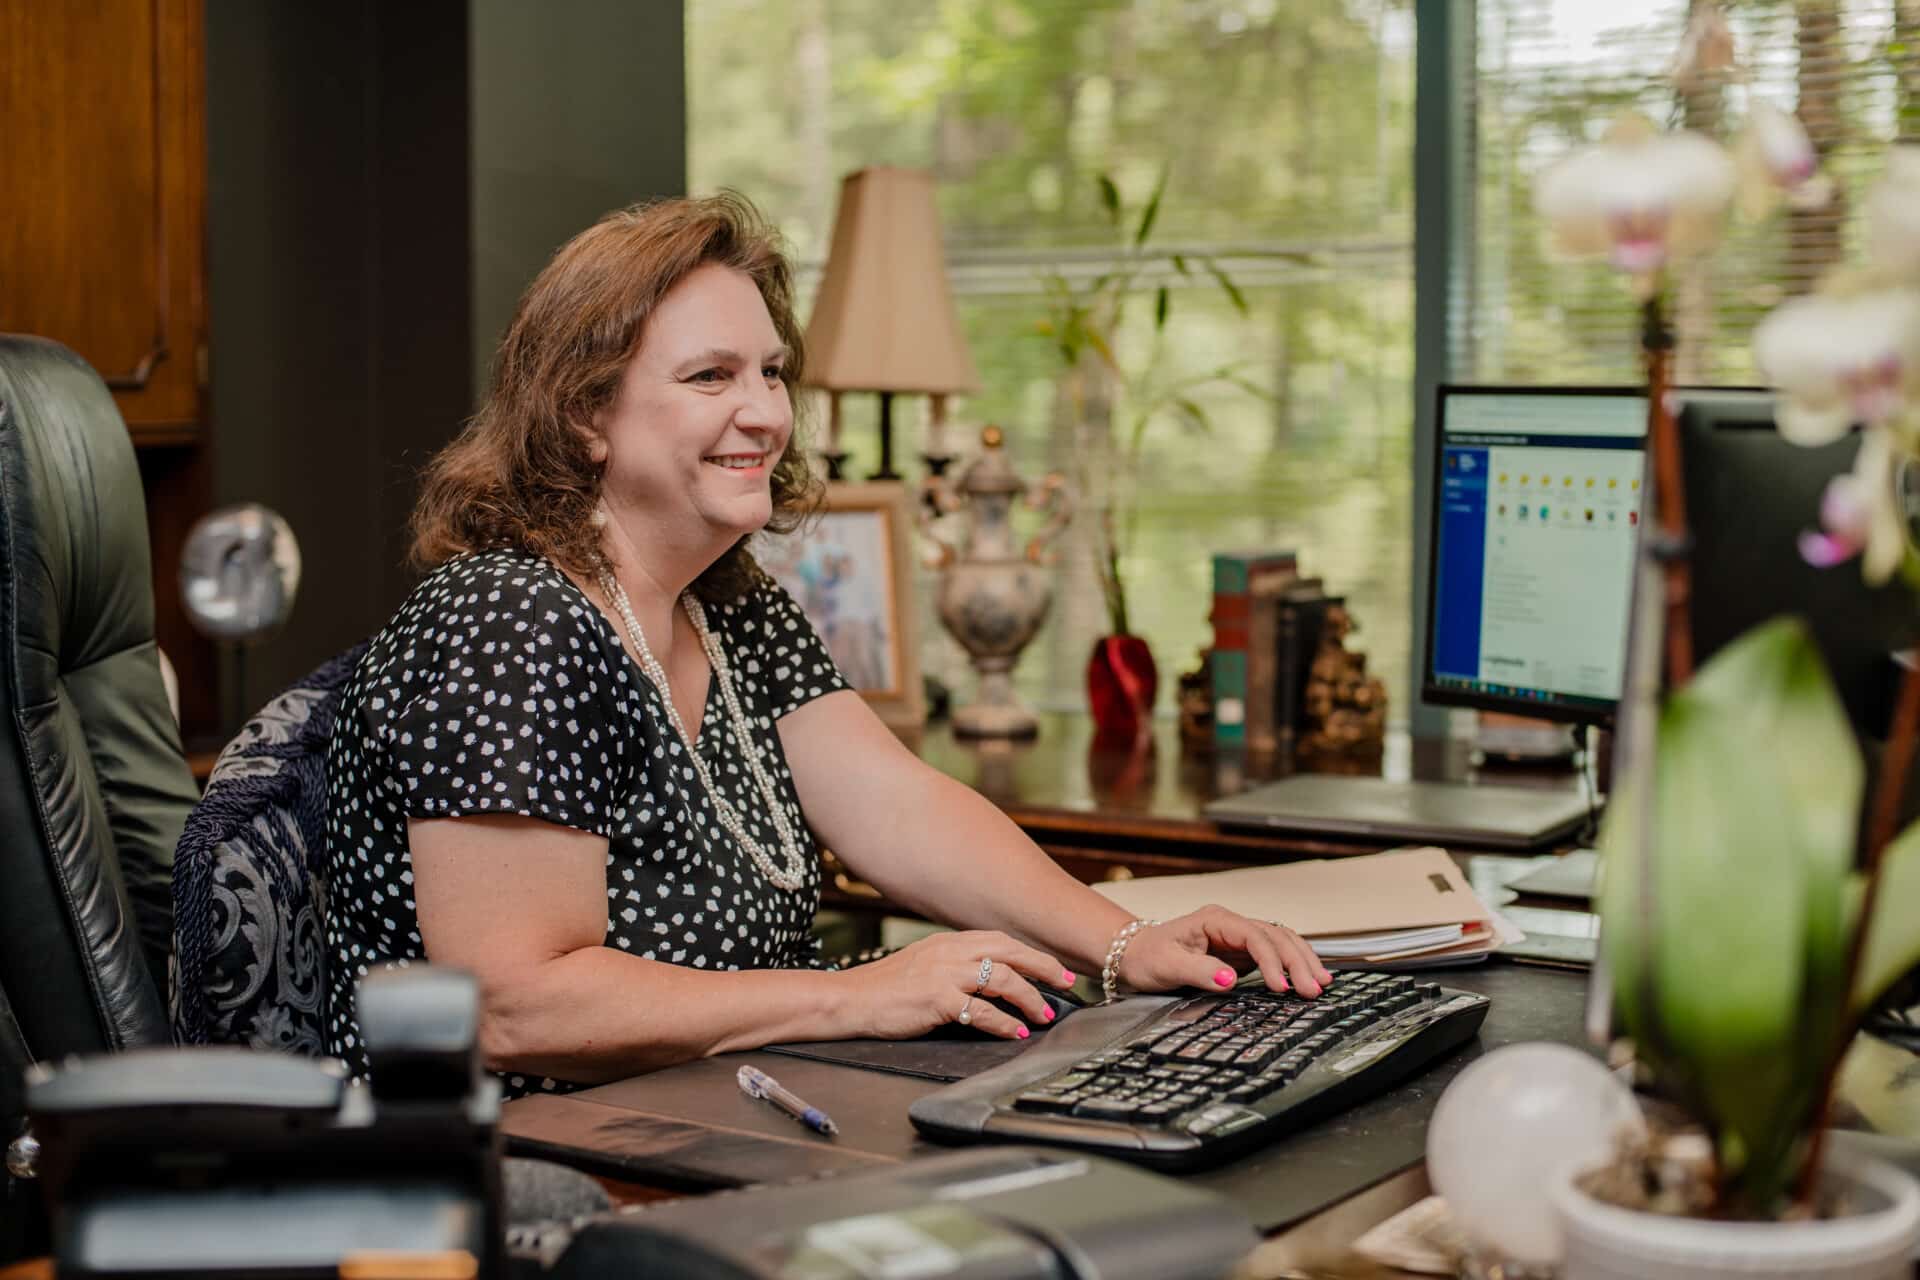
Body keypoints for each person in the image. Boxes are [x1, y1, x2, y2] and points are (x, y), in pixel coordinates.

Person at [322, 193, 1330, 1098]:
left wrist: (1124, 942)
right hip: (532, 1158)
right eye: (712, 375)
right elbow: (516, 1006)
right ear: (588, 413)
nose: (765, 413)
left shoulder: (726, 599)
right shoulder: (508, 620)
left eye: (771, 372)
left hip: (726, 1097)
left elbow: (899, 808)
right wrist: (854, 993)